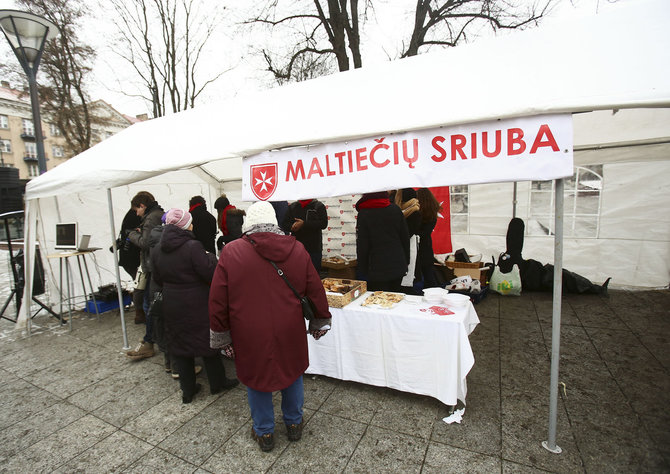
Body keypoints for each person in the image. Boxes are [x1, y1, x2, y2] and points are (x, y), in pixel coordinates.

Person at [209, 201, 331, 452]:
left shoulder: (231, 252)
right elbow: (315, 288)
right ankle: (294, 424)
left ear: (248, 224)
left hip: (249, 331)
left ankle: (264, 433)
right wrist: (320, 319)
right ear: (275, 222)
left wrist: (221, 335)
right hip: (290, 326)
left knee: (256, 378)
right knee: (292, 371)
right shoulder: (297, 249)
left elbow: (217, 299)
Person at [152, 208, 238, 403]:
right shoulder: (192, 247)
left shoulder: (158, 249)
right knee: (207, 342)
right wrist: (209, 257)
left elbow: (157, 278)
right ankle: (217, 383)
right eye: (190, 222)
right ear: (184, 226)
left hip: (172, 302)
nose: (192, 225)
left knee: (179, 345)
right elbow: (209, 273)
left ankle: (188, 391)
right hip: (196, 302)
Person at [126, 191, 164, 360]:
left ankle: (151, 341)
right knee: (151, 304)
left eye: (137, 209)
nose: (137, 213)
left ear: (142, 205)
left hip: (152, 267)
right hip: (156, 266)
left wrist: (132, 235)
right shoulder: (158, 214)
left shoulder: (150, 218)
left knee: (150, 306)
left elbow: (146, 243)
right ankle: (152, 339)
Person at [355, 192, 410, 293]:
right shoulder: (395, 209)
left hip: (377, 268)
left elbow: (362, 245)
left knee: (379, 302)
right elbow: (405, 238)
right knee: (395, 299)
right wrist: (406, 261)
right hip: (397, 264)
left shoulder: (364, 213)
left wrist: (362, 268)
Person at [281, 198, 328, 272]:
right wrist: (292, 226)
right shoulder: (293, 206)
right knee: (297, 274)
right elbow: (284, 224)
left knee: (314, 274)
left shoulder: (318, 206)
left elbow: (323, 224)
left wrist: (304, 224)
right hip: (296, 249)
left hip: (314, 249)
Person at [416, 188, 441, 289]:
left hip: (419, 247)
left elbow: (420, 232)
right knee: (428, 275)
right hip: (426, 247)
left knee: (424, 276)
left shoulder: (417, 214)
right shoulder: (432, 214)